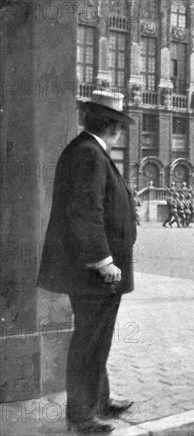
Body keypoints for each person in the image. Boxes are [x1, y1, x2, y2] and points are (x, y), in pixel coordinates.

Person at [37, 91, 137, 433]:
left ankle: (99, 400)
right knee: (89, 342)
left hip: (97, 273)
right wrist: (103, 261)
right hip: (95, 272)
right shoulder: (89, 154)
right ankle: (81, 417)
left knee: (97, 338)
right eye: (120, 125)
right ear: (113, 126)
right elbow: (84, 212)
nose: (121, 131)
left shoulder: (89, 150)